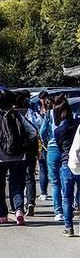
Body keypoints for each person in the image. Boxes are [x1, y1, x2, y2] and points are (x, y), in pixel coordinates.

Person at [0, 89, 36, 225]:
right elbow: (33, 132)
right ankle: (19, 210)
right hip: (18, 156)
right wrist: (23, 145)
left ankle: (3, 215)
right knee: (16, 185)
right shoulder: (18, 115)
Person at [52, 95, 80, 237]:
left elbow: (60, 148)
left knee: (67, 197)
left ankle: (69, 227)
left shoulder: (58, 131)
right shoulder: (78, 124)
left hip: (66, 163)